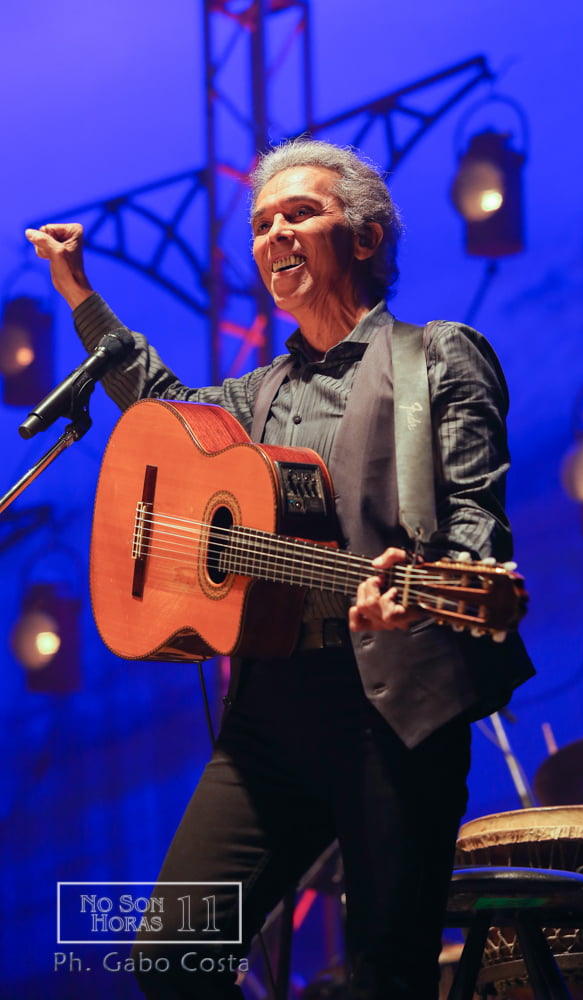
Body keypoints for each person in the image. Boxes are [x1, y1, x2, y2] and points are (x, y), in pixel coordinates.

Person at [27, 138, 533, 1000]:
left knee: (385, 975)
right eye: (262, 224)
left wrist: (430, 590)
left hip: (393, 708)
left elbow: (474, 518)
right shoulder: (253, 396)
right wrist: (80, 295)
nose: (274, 236)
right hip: (268, 713)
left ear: (365, 238)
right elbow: (163, 408)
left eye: (300, 214)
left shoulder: (437, 357)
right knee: (171, 957)